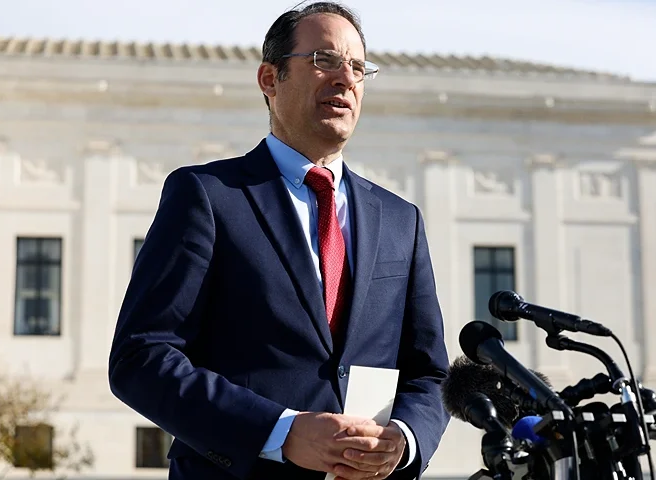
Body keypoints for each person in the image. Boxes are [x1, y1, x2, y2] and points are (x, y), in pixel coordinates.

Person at [107, 2, 450, 479]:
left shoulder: (400, 220)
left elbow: (429, 373)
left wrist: (406, 440)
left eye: (357, 67)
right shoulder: (207, 197)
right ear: (270, 79)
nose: (345, 79)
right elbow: (141, 358)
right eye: (324, 60)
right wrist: (281, 431)